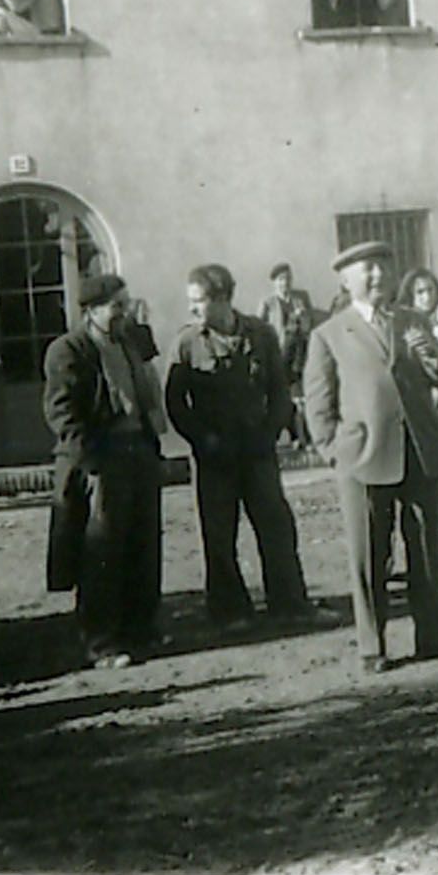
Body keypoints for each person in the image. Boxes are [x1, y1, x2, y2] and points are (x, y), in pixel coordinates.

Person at [304, 241, 438, 673]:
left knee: (426, 551)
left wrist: (428, 351)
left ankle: (433, 637)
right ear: (346, 280)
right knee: (369, 555)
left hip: (419, 453)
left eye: (384, 268)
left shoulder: (414, 320)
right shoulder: (329, 334)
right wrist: (336, 452)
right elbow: (319, 406)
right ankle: (373, 646)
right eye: (367, 270)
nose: (377, 277)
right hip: (364, 459)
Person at [165, 264, 328, 633]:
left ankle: (290, 605)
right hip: (215, 458)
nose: (192, 308)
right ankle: (229, 612)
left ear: (222, 298)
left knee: (276, 527)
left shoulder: (261, 334)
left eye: (198, 301)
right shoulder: (187, 343)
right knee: (219, 535)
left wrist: (269, 434)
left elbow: (280, 391)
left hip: (257, 452)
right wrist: (203, 440)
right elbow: (176, 404)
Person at [42, 274, 169, 669]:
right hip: (101, 460)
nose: (123, 313)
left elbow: (147, 376)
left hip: (138, 455)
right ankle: (102, 641)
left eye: (126, 304)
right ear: (91, 311)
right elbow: (61, 412)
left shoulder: (128, 342)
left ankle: (140, 630)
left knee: (144, 545)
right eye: (116, 306)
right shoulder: (69, 350)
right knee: (102, 553)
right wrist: (91, 462)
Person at [259, 262, 314, 446]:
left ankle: (303, 436)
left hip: (300, 353)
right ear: (274, 283)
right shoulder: (268, 303)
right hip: (280, 353)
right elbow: (260, 328)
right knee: (282, 392)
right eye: (281, 280)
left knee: (301, 393)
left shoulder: (301, 297)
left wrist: (302, 316)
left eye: (288, 279)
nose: (286, 283)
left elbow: (310, 323)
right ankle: (288, 434)